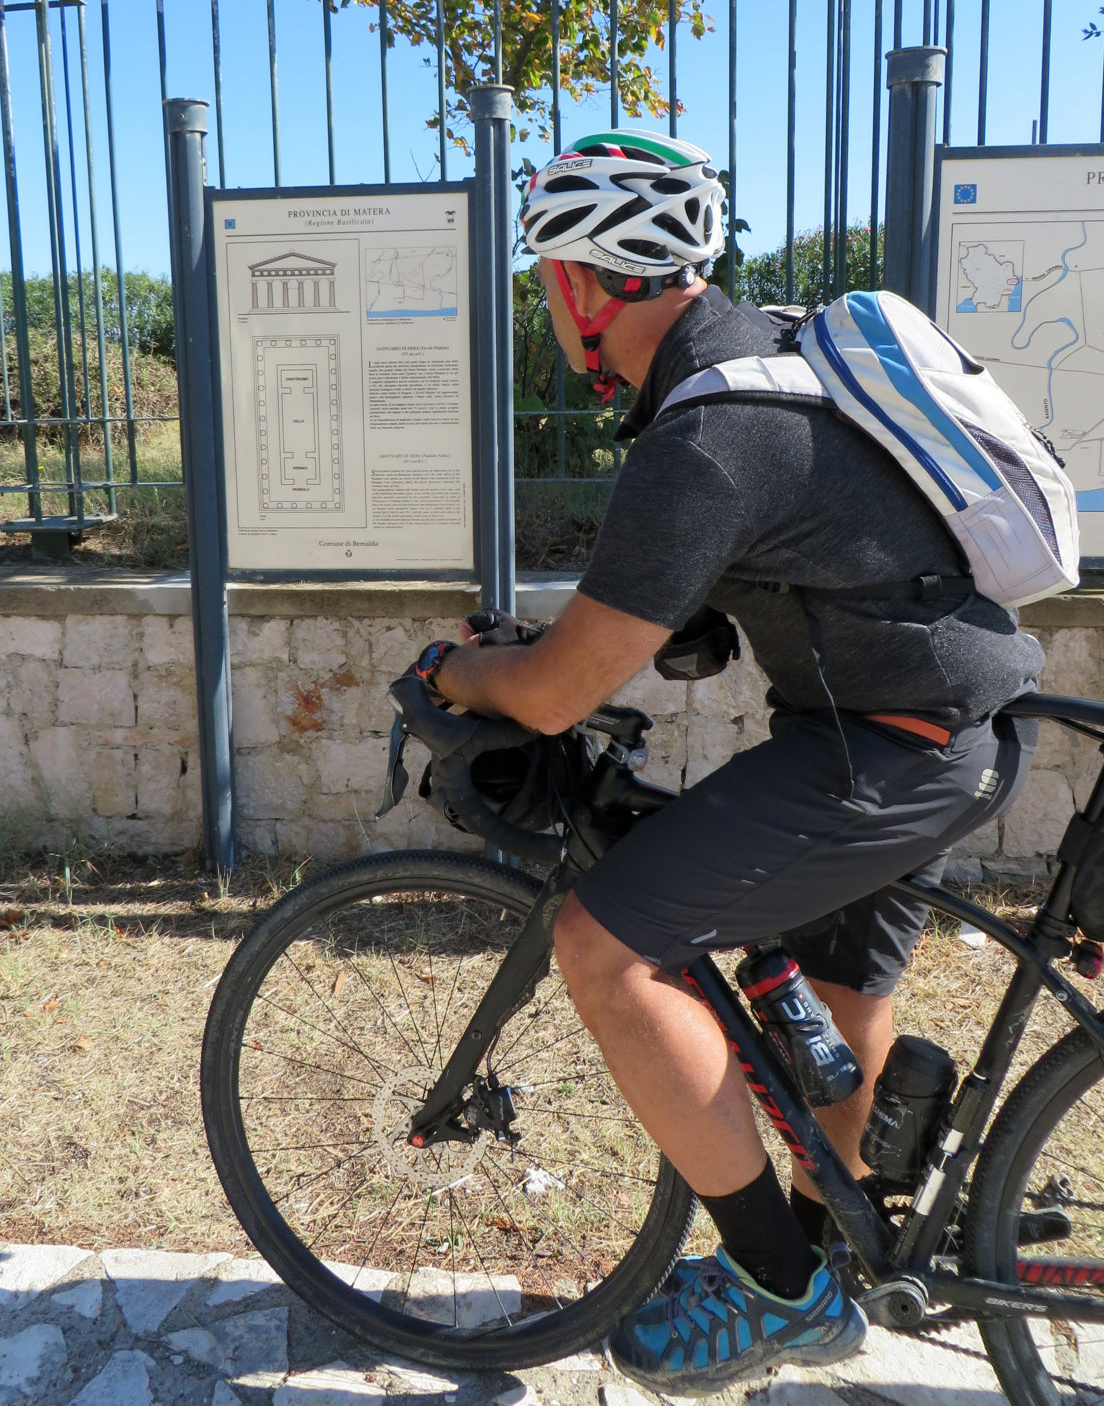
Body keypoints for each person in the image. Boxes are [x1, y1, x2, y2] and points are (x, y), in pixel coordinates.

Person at [419, 128, 1042, 1395]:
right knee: (821, 990)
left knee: (602, 942)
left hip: (883, 749)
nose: (548, 304)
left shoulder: (709, 431)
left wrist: (456, 670)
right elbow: (705, 606)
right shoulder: (775, 360)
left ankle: (776, 1288)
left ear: (587, 286)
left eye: (548, 278)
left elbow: (552, 694)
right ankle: (842, 1239)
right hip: (949, 727)